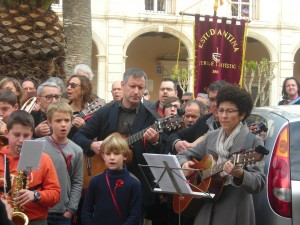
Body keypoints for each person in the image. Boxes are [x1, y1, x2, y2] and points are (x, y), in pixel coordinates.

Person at [73, 68, 160, 223]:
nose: (136, 91)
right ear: (123, 85)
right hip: (104, 182)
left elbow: (159, 154)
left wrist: (155, 142)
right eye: (132, 86)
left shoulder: (151, 118)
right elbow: (78, 136)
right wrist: (92, 145)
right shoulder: (105, 112)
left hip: (136, 185)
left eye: (140, 88)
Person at [177, 84, 266, 225]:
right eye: (221, 110)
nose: (223, 116)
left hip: (235, 211)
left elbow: (259, 183)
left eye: (229, 111)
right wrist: (185, 164)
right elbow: (183, 154)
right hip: (205, 209)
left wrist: (240, 174)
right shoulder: (211, 136)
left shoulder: (252, 140)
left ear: (242, 114)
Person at [0, 110, 61, 224]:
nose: (21, 140)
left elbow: (56, 195)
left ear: (32, 134)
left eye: (26, 135)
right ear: (7, 132)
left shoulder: (43, 158)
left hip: (36, 220)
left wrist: (36, 195)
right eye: (17, 135)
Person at [38, 101, 83, 225]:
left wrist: (71, 209)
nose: (63, 125)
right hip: (41, 210)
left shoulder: (77, 150)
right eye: (58, 121)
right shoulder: (37, 145)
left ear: (71, 122)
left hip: (63, 212)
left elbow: (77, 181)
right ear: (49, 122)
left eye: (66, 120)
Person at [81, 132, 141, 225]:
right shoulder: (95, 181)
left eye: (116, 154)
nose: (112, 158)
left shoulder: (134, 183)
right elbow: (86, 212)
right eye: (108, 154)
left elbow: (134, 216)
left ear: (125, 155)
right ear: (103, 156)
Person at [166, 80, 227, 155]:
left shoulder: (237, 125)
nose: (216, 104)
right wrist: (177, 143)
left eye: (219, 99)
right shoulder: (204, 120)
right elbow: (175, 135)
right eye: (212, 100)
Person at [66, 74, 97, 139]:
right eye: (68, 85)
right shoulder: (63, 109)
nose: (68, 88)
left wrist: (84, 127)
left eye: (73, 85)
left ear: (83, 89)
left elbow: (95, 137)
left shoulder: (92, 112)